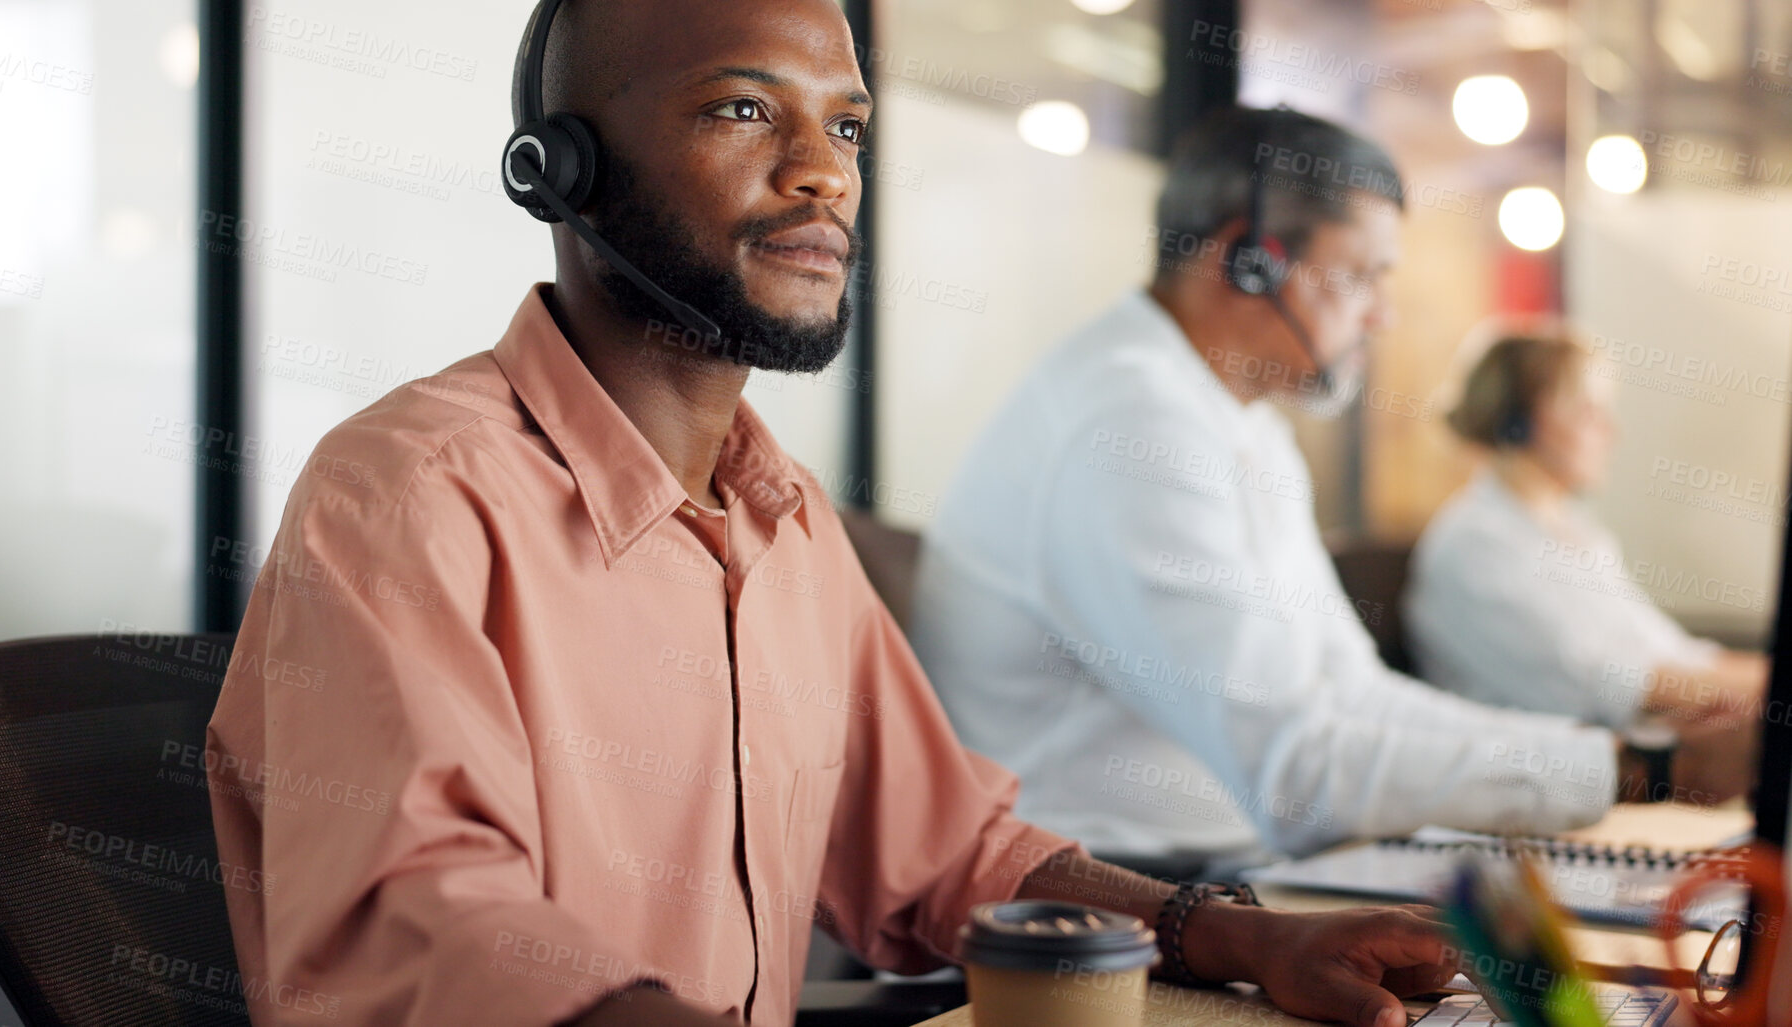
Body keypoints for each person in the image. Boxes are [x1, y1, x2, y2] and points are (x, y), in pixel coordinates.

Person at [204, 6, 1462, 1027]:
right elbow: (428, 928)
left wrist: (1241, 938)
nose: (824, 173)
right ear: (560, 169)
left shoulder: (786, 519)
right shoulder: (410, 493)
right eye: (745, 108)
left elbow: (948, 851)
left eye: (848, 129)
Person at [909, 106, 1716, 874]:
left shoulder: (1241, 423)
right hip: (1103, 911)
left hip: (1230, 874)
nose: (1383, 317)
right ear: (1247, 260)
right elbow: (1301, 771)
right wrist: (1635, 767)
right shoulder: (1131, 422)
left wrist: (1596, 752)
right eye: (1361, 276)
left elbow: (1352, 695)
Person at [1404, 331, 1765, 782]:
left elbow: (1674, 655)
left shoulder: (1577, 534)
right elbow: (1620, 684)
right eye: (1589, 411)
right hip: (1538, 796)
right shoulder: (1477, 546)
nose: (1612, 432)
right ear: (1520, 420)